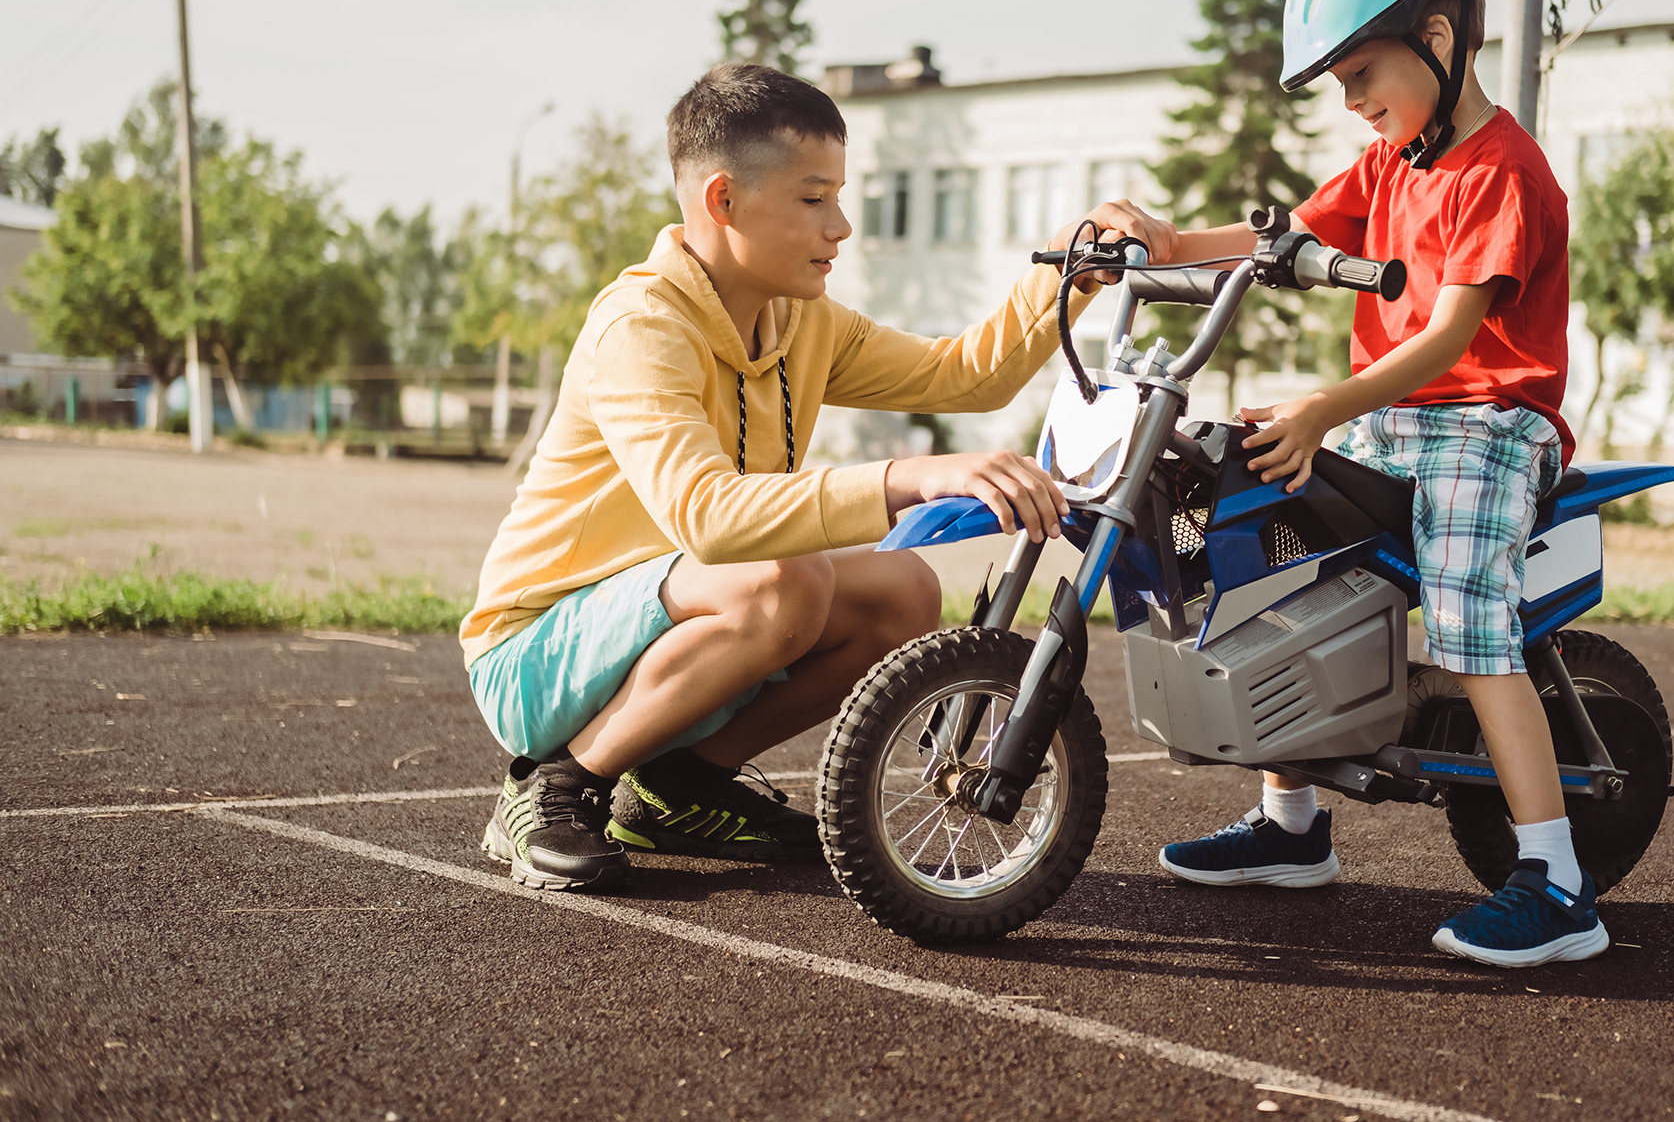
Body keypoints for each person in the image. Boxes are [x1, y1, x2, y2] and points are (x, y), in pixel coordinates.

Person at [460, 62, 1172, 893]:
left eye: (839, 195)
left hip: (671, 623)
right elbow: (709, 517)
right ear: (722, 199)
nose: (840, 226)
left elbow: (966, 377)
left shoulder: (800, 319)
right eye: (812, 199)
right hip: (535, 654)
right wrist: (912, 476)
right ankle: (552, 787)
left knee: (902, 591)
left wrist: (1070, 272)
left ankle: (673, 790)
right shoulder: (641, 324)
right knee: (782, 580)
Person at [1152, 0, 1605, 968]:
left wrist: (1322, 406)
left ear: (1437, 41)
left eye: (1360, 75)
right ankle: (1292, 828)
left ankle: (1555, 879)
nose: (1351, 103)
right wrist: (1164, 243)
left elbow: (1453, 336)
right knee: (1277, 541)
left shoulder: (1499, 172)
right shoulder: (1395, 158)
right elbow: (1285, 236)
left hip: (1489, 421)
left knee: (1462, 605)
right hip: (1394, 414)